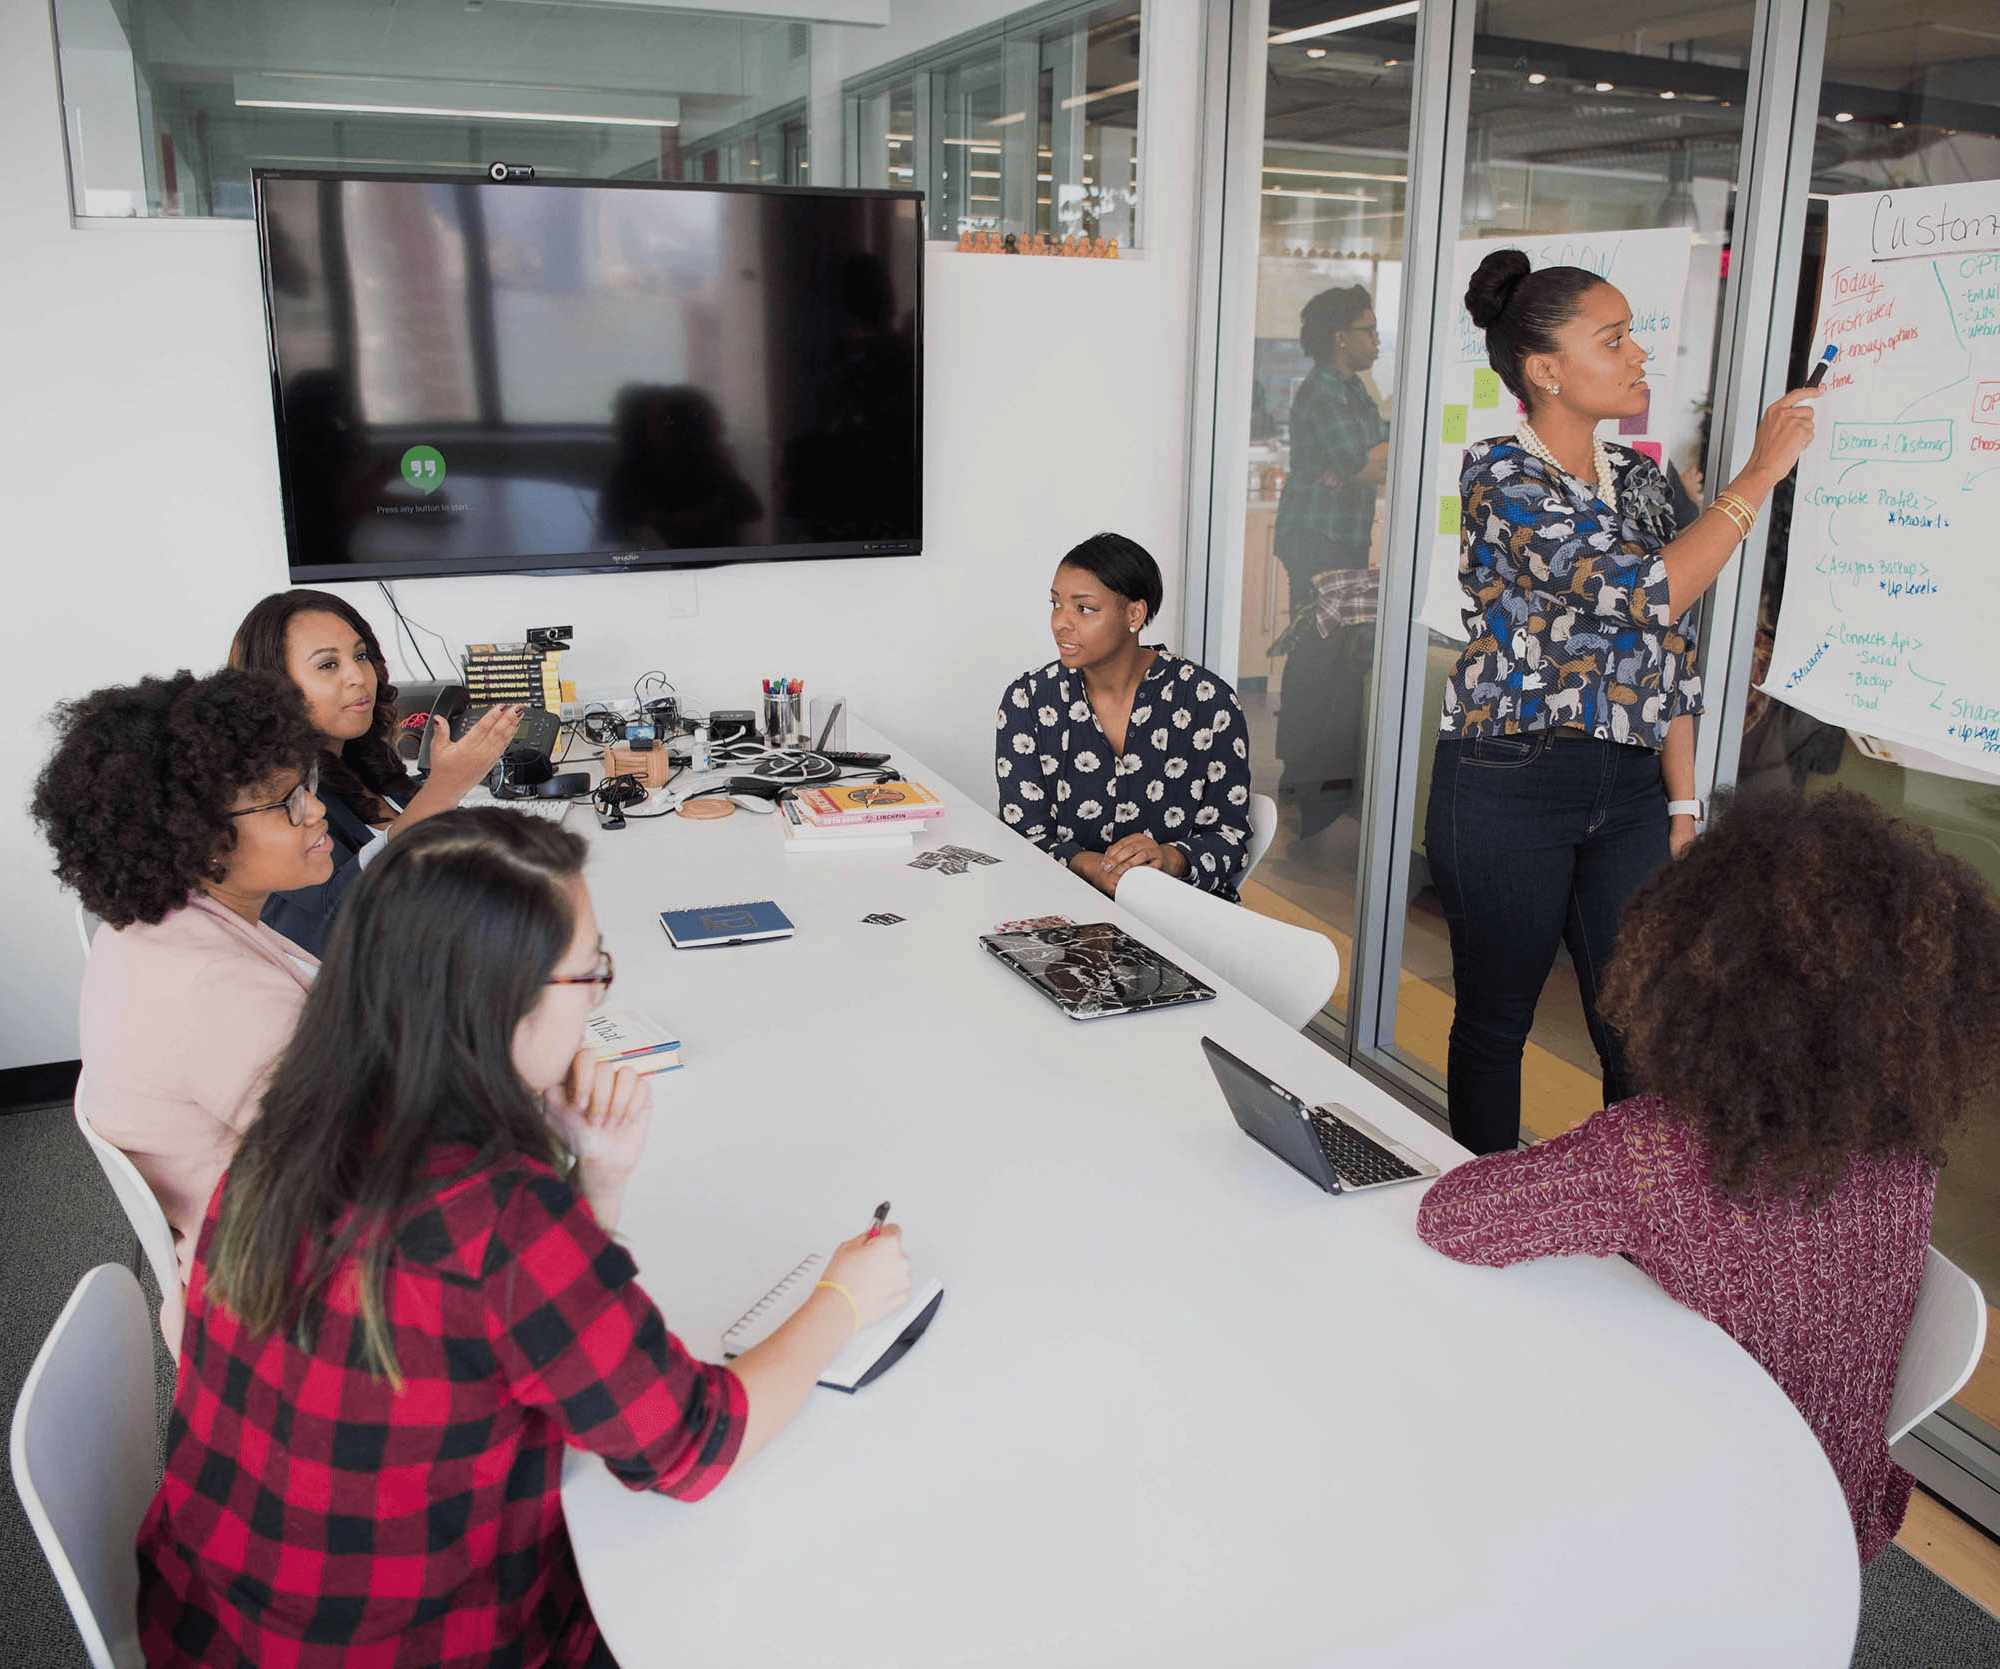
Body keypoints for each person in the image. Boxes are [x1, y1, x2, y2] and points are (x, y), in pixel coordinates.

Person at [137, 810, 913, 1666]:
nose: (596, 1001)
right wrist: (843, 1296)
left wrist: (598, 1178)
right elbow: (692, 1446)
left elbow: (504, 1334)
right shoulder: (497, 1216)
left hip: (213, 1623)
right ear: (503, 1002)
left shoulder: (293, 1125)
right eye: (591, 975)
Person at [1415, 789, 2000, 1564]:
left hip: (1698, 1532)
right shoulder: (1902, 1149)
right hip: (1836, 1518)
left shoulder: (1656, 1153)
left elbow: (1452, 1217)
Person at [1427, 249, 1823, 1154]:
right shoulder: (1502, 476)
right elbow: (1647, 593)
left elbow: (1668, 652)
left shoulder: (1641, 480)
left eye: (1635, 335)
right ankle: (1483, 1212)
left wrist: (1682, 803)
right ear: (1545, 370)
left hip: (1634, 786)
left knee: (1638, 1030)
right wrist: (1758, 472)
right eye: (1614, 339)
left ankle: (1635, 1227)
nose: (1639, 356)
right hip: (1510, 777)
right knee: (1498, 1020)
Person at [30, 669, 334, 1320]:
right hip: (289, 1310)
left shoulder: (148, 927)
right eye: (285, 802)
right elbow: (379, 1175)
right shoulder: (218, 995)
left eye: (305, 785)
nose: (315, 809)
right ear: (196, 835)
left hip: (243, 1254)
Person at [229, 589, 518, 954]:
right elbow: (341, 918)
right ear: (273, 686)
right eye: (328, 665)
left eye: (361, 655)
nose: (358, 676)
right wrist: (444, 790)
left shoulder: (364, 764)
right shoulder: (270, 801)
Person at [997, 532, 1254, 900]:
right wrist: (1094, 868)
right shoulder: (1029, 702)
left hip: (1180, 918)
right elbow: (1021, 835)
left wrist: (1168, 859)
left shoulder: (1208, 702)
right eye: (1056, 605)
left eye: (1083, 609)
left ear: (1134, 614)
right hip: (1064, 911)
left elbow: (1231, 839)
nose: (1060, 623)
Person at [1272, 285, 1390, 839]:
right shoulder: (1324, 390)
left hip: (1341, 533)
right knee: (1313, 648)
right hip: (1315, 534)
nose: (1375, 339)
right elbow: (1360, 460)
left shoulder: (1354, 390)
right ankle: (1299, 772)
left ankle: (1307, 774)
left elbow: (1387, 449)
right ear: (1342, 337)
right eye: (1368, 329)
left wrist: (1366, 462)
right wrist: (1360, 464)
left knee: (1324, 650)